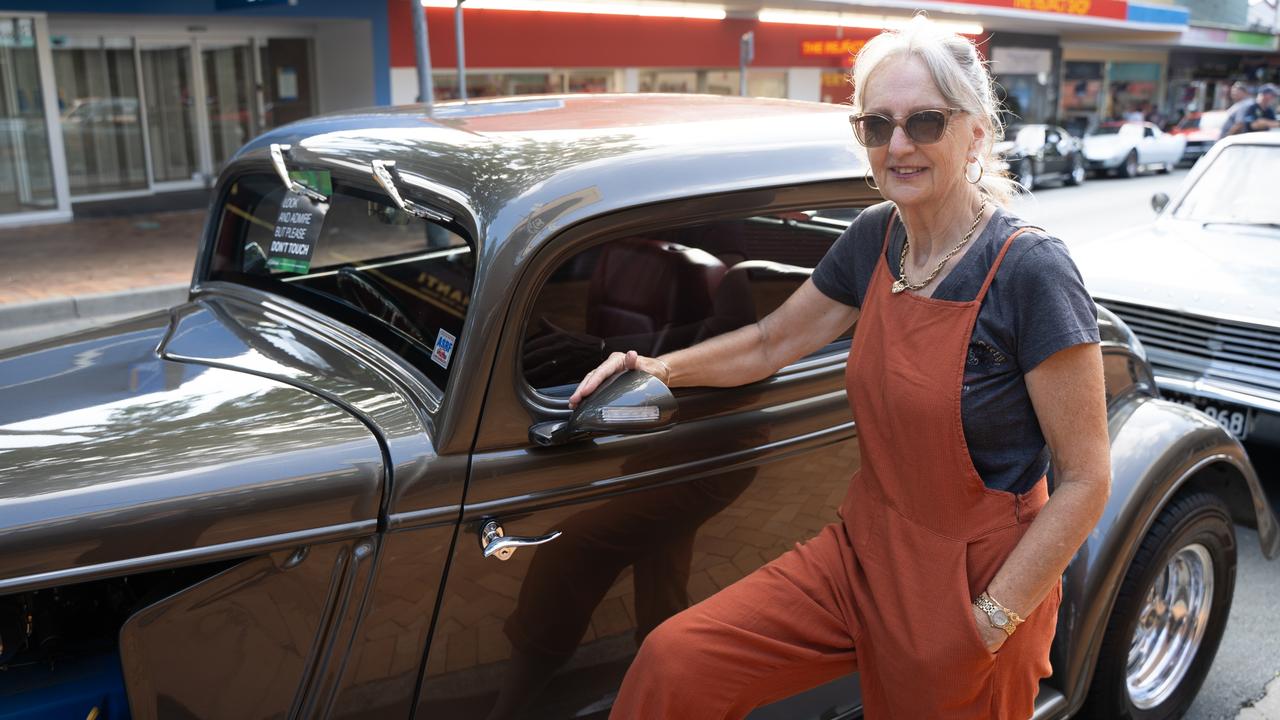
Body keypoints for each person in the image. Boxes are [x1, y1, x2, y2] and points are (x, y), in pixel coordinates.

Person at [569, 15, 1111, 720]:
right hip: (865, 552)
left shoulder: (1031, 270)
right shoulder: (874, 237)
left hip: (976, 582)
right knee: (679, 662)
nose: (899, 145)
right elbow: (770, 341)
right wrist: (658, 367)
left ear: (975, 131)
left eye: (925, 121)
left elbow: (1087, 479)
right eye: (877, 126)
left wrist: (989, 620)